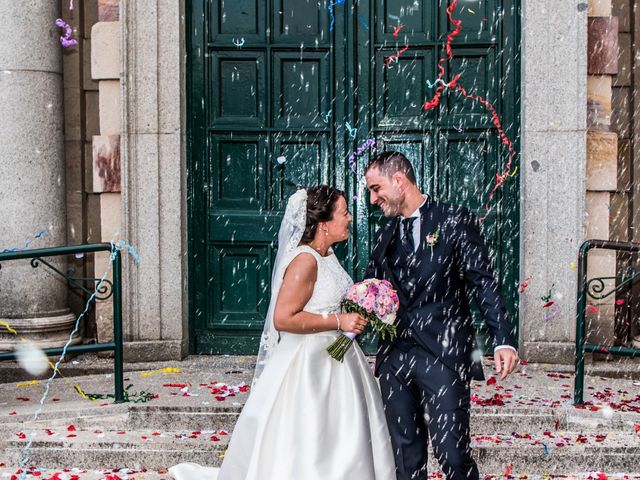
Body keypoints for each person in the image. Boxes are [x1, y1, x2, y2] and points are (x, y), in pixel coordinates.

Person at [170, 186, 396, 480]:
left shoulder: (326, 255)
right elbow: (283, 318)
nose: (350, 219)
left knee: (339, 431)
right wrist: (338, 321)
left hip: (336, 358)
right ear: (323, 224)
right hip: (310, 364)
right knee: (311, 432)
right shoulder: (305, 261)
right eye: (344, 213)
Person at [364, 151, 520, 480]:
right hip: (396, 358)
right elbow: (371, 289)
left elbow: (482, 282)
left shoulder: (454, 219)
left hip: (444, 354)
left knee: (453, 454)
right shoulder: (385, 237)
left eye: (376, 189)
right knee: (406, 457)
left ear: (399, 181)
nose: (373, 198)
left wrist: (503, 340)